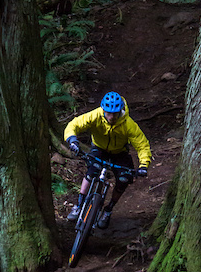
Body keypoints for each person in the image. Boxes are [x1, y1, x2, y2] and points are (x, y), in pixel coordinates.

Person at [64, 91, 151, 229]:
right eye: (108, 113)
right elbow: (75, 124)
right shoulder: (95, 115)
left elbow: (142, 145)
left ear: (120, 111)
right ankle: (79, 205)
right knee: (92, 171)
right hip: (99, 148)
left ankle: (108, 209)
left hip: (119, 153)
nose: (111, 117)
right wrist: (72, 140)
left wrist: (144, 165)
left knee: (124, 179)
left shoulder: (128, 124)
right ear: (103, 110)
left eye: (115, 114)